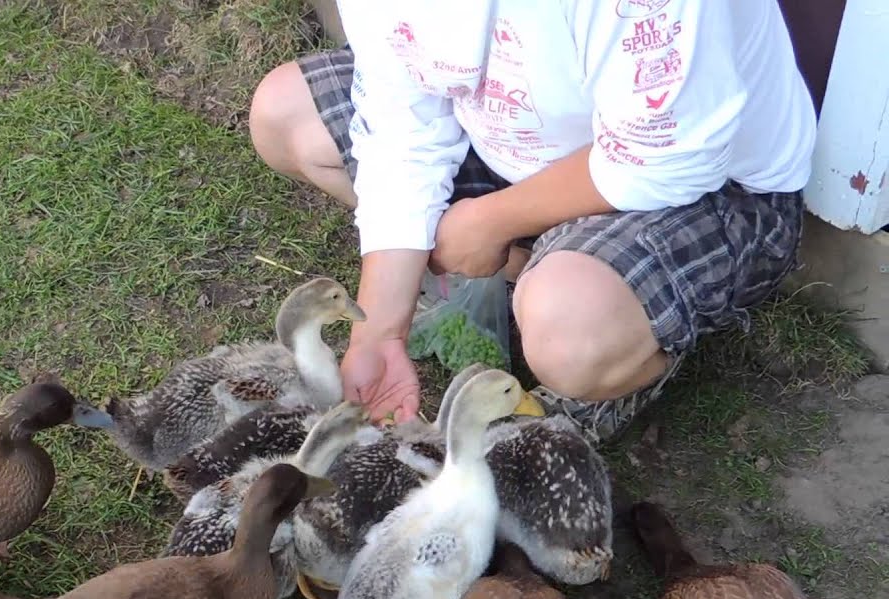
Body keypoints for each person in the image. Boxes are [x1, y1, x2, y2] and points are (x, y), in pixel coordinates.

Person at [248, 0, 816, 443]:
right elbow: (403, 126)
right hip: (510, 144)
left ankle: (612, 339)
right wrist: (378, 331)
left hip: (708, 186)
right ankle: (537, 268)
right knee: (285, 114)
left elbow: (667, 160)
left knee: (569, 326)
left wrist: (488, 223)